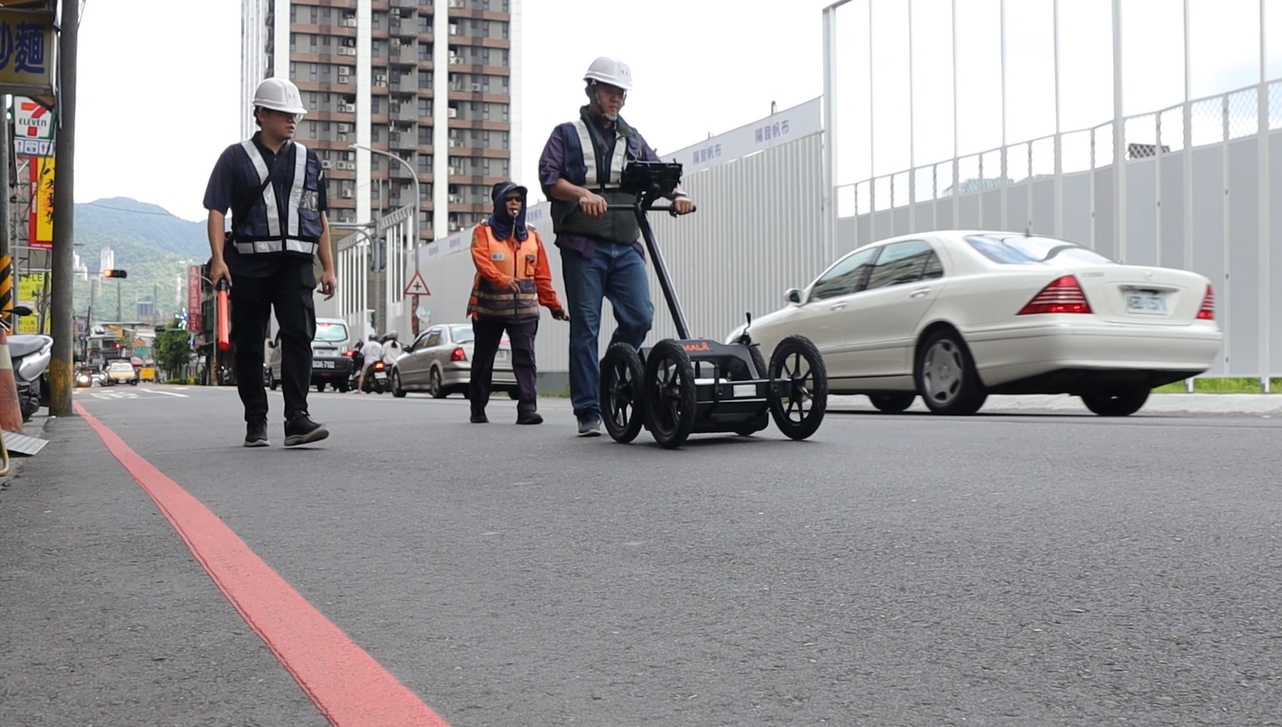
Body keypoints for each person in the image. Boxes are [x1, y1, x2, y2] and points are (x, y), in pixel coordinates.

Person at [538, 57, 695, 437]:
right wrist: (580, 194)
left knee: (640, 316)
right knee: (586, 328)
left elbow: (657, 175)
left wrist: (677, 196)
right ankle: (588, 411)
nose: (617, 99)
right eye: (610, 91)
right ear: (591, 89)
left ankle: (611, 371)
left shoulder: (633, 137)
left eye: (621, 93)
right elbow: (548, 178)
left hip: (625, 245)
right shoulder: (566, 134)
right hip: (583, 245)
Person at [203, 77, 337, 447]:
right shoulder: (235, 157)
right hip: (248, 264)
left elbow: (319, 215)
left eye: (295, 114)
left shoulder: (310, 160)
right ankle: (255, 420)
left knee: (299, 337)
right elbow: (216, 211)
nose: (292, 121)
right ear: (261, 114)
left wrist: (328, 266)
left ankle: (297, 417)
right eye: (283, 113)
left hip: (296, 264)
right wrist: (218, 261)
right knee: (248, 344)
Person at [466, 181, 568, 425]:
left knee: (525, 359)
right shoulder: (483, 232)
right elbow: (482, 261)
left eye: (518, 200)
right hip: (489, 310)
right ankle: (478, 408)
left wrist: (553, 304)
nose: (514, 204)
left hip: (524, 310)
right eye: (509, 199)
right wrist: (501, 279)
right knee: (483, 359)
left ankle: (527, 409)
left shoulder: (532, 235)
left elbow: (542, 275)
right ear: (499, 203)